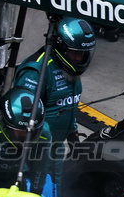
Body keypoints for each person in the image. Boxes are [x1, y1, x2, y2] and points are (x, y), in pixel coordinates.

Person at [13, 18, 97, 184]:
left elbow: (68, 106)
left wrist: (73, 138)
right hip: (32, 154)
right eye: (75, 53)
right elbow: (20, 118)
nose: (80, 59)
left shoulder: (70, 70)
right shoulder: (36, 72)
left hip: (56, 149)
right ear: (62, 47)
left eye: (83, 53)